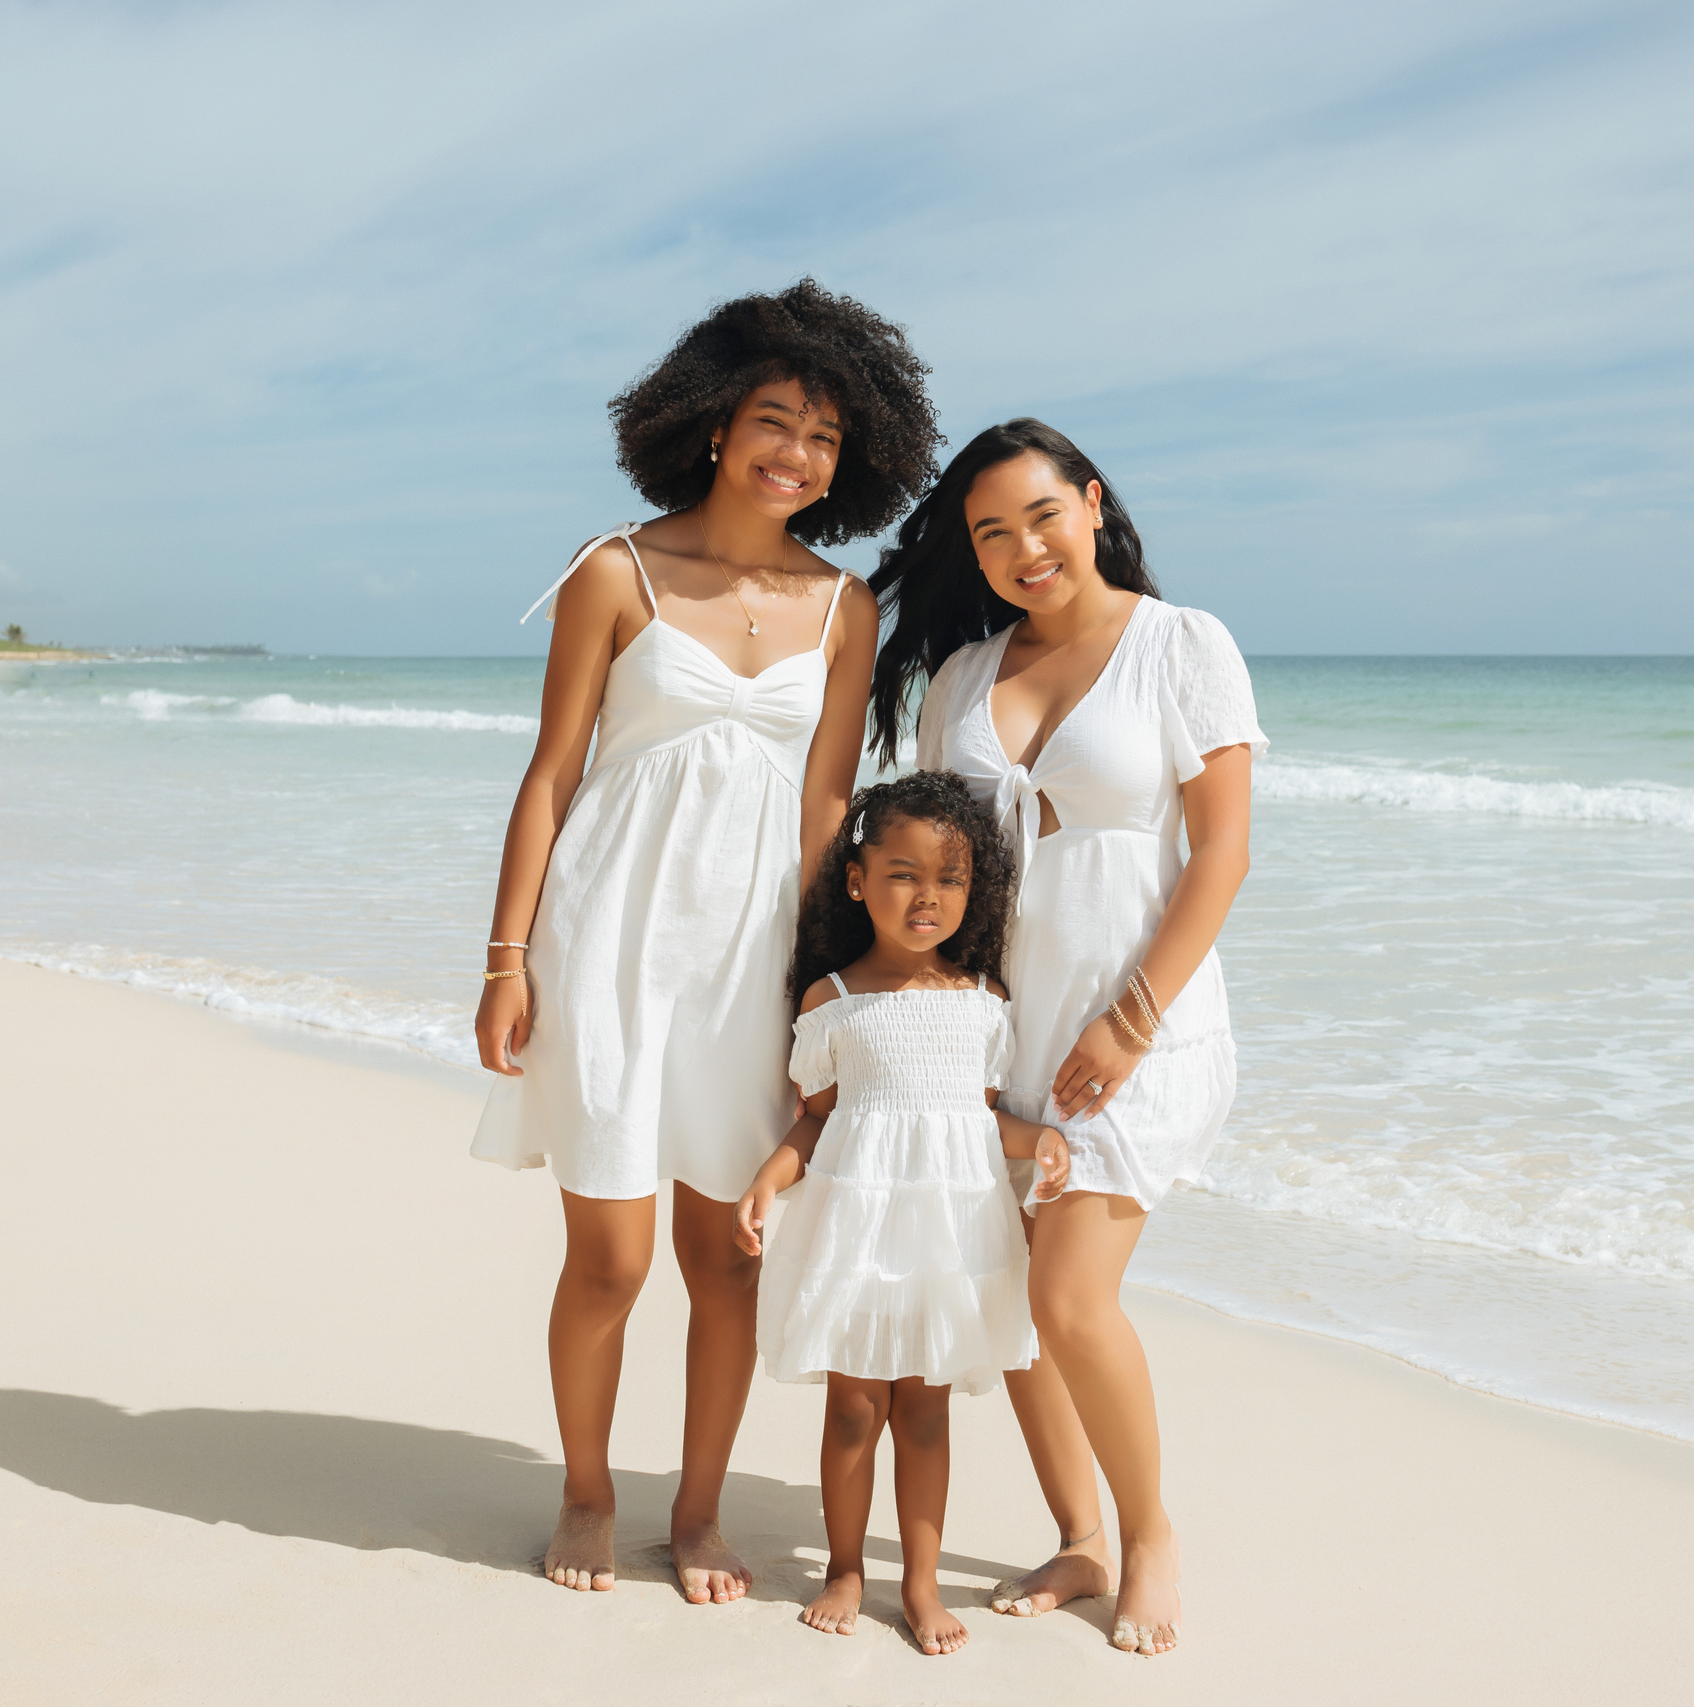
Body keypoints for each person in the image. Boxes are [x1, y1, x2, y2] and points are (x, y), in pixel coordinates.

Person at [468, 280, 939, 1602]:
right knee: (610, 1253)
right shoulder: (614, 570)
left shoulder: (847, 610)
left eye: (826, 437)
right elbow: (552, 773)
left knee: (727, 1247)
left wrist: (824, 986)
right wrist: (506, 957)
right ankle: (586, 1486)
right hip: (610, 936)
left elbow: (829, 805)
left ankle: (695, 1509)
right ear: (715, 423)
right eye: (773, 419)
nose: (795, 452)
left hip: (755, 958)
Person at [867, 418, 1264, 1656]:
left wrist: (1130, 1023)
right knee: (1018, 1304)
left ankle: (1150, 1537)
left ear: (1090, 506)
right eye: (990, 533)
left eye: (1042, 516)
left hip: (1142, 1032)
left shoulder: (1181, 644)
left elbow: (1223, 853)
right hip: (1004, 1039)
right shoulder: (961, 682)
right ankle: (1081, 1537)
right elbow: (939, 874)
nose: (1022, 547)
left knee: (1068, 1295)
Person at [733, 771, 1070, 1653]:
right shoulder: (832, 999)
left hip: (948, 1239)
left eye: (950, 878)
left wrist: (1041, 1139)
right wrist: (769, 1181)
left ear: (975, 889)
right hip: (856, 1235)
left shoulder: (985, 1001)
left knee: (925, 1411)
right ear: (857, 878)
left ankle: (919, 1585)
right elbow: (814, 1119)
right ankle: (846, 1565)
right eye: (903, 873)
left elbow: (981, 1116)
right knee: (852, 1408)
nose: (927, 896)